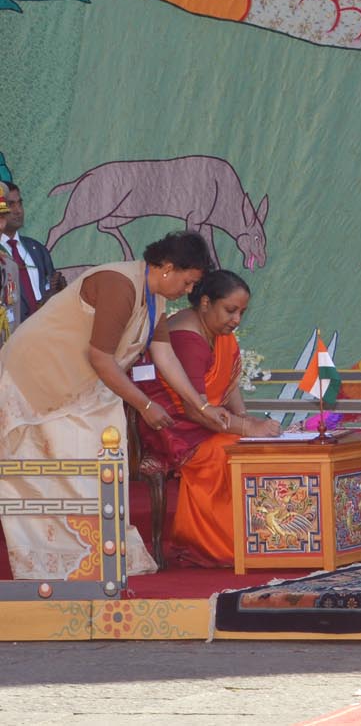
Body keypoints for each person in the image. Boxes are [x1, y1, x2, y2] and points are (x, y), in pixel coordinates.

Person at [0, 231, 229, 578]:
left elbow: (164, 355)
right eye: (188, 282)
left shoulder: (156, 299)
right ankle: (64, 565)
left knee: (102, 467)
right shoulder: (119, 283)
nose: (188, 291)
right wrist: (146, 406)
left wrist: (200, 406)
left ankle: (96, 558)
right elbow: (102, 359)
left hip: (81, 390)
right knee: (60, 473)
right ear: (167, 268)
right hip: (37, 380)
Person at [135, 269, 279, 566]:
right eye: (230, 310)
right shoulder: (188, 337)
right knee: (224, 452)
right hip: (174, 425)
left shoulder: (216, 333)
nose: (237, 320)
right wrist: (246, 427)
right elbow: (192, 408)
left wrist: (245, 420)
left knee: (247, 445)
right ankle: (216, 544)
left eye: (241, 312)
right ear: (204, 303)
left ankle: (267, 536)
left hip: (204, 419)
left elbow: (227, 386)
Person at [2, 181, 64, 324]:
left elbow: (50, 290)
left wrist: (57, 290)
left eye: (20, 203)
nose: (18, 210)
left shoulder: (37, 249)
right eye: (10, 204)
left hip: (45, 331)